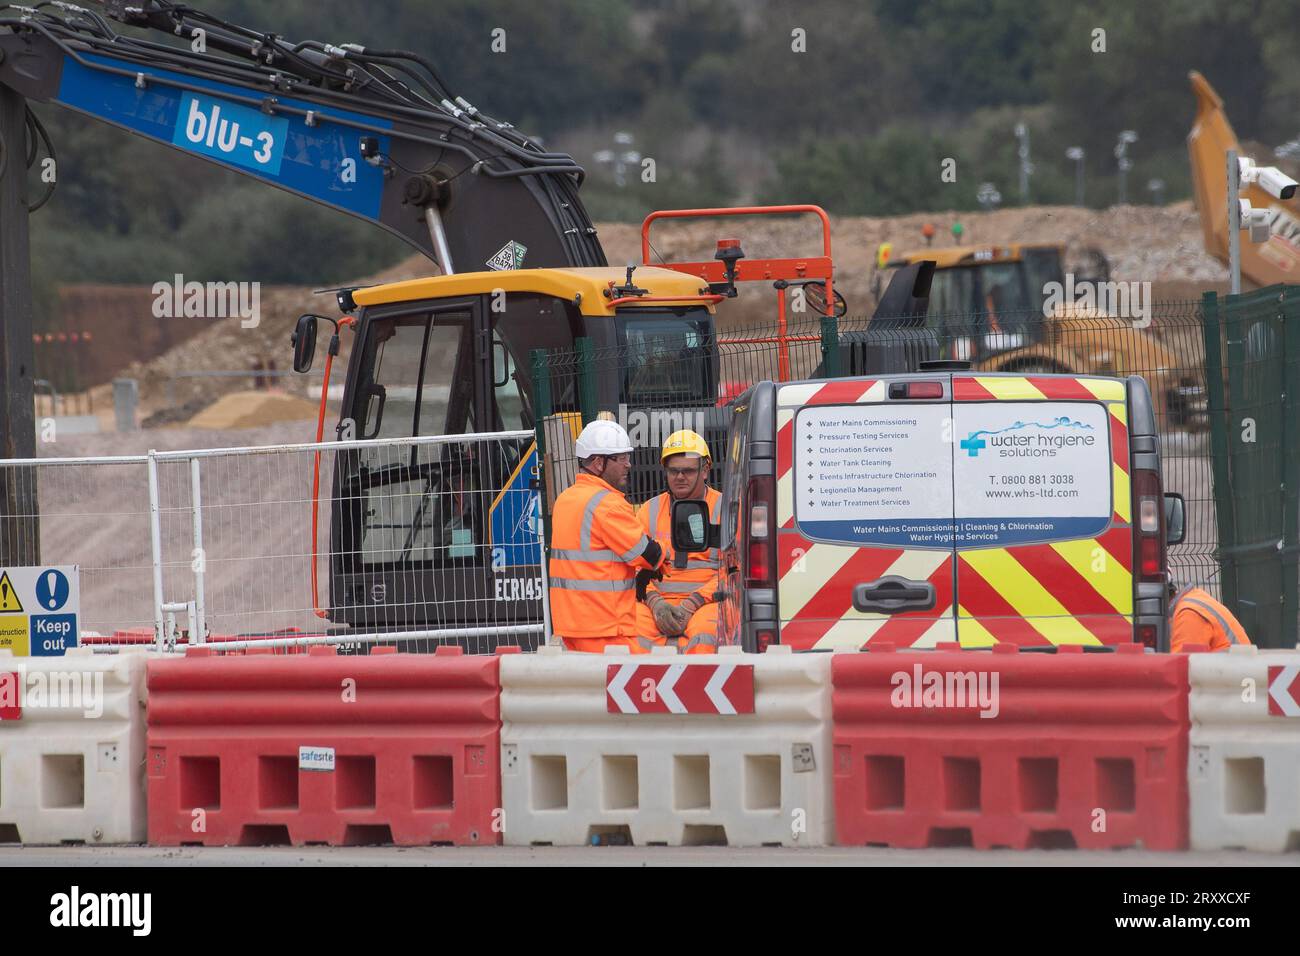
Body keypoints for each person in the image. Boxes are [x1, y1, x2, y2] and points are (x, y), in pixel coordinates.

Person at [548, 419, 665, 652]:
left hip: (571, 628)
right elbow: (648, 554)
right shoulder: (608, 504)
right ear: (599, 462)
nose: (628, 465)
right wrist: (666, 551)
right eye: (621, 458)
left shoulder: (565, 500)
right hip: (607, 629)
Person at [635, 429, 723, 654]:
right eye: (673, 471)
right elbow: (634, 566)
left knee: (705, 636)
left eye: (688, 471)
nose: (680, 477)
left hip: (708, 602)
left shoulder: (725, 509)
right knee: (632, 634)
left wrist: (693, 603)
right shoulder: (649, 510)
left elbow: (734, 570)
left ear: (705, 470)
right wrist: (655, 603)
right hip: (655, 602)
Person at [1168, 577, 1252, 652]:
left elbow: (1183, 664)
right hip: (1234, 665)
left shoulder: (1188, 614)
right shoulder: (1194, 597)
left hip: (1234, 667)